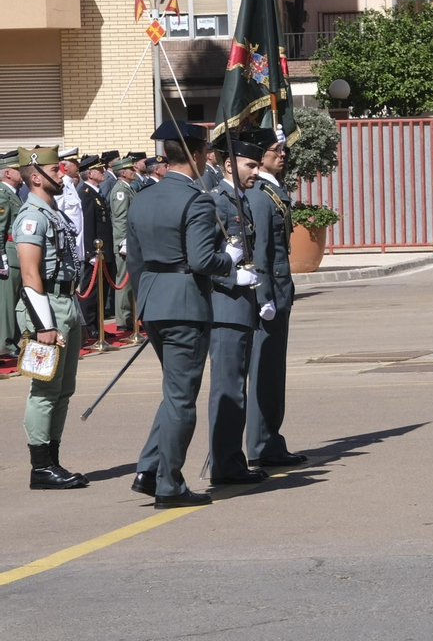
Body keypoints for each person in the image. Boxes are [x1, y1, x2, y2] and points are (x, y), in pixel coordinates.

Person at [128, 120, 254, 507]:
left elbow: (134, 263)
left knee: (173, 392)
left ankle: (151, 468)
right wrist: (229, 263)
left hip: (153, 300)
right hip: (184, 304)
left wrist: (142, 304)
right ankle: (169, 484)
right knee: (183, 398)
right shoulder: (196, 199)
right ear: (198, 154)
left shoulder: (142, 197)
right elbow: (202, 260)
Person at [10, 146, 88, 489]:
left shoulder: (52, 210)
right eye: (57, 170)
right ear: (37, 176)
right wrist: (45, 325)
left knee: (63, 389)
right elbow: (30, 275)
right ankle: (40, 467)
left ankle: (53, 460)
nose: (64, 174)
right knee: (44, 389)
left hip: (65, 302)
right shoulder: (32, 216)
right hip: (47, 307)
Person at [204, 137, 269, 486]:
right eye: (250, 165)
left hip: (242, 305)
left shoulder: (239, 199)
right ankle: (225, 464)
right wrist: (232, 274)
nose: (256, 173)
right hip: (225, 306)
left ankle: (231, 458)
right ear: (230, 165)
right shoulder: (216, 201)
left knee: (237, 388)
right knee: (228, 387)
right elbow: (204, 257)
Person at [245, 131, 305, 468]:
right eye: (275, 150)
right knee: (264, 368)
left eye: (282, 149)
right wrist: (264, 295)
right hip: (270, 292)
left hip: (280, 289)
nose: (282, 154)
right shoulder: (260, 194)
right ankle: (262, 443)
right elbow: (263, 250)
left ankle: (269, 439)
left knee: (272, 369)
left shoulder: (272, 189)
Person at [75, 155, 111, 333]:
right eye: (99, 170)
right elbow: (88, 225)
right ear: (90, 173)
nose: (103, 172)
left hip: (103, 250)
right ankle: (89, 325)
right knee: (92, 290)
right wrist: (90, 252)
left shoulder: (96, 192)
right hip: (95, 252)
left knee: (101, 290)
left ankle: (98, 324)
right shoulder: (86, 194)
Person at [109, 156, 139, 339]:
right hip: (124, 242)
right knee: (124, 282)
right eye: (130, 169)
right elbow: (120, 219)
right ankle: (122, 320)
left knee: (129, 282)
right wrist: (123, 241)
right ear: (123, 172)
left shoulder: (127, 188)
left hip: (130, 240)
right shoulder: (120, 190)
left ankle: (129, 318)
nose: (133, 171)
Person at [0, 151, 22, 361]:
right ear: (7, 172)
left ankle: (12, 341)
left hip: (16, 253)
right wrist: (1, 257)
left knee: (14, 301)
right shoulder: (2, 194)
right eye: (17, 169)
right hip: (8, 253)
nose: (20, 172)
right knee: (6, 303)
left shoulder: (13, 193)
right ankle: (4, 344)